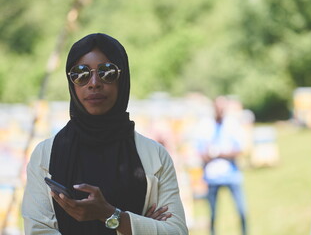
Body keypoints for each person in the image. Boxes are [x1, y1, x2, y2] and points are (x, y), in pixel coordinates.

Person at [22, 33, 188, 235]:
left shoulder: (155, 156)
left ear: (123, 78)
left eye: (107, 72)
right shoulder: (46, 154)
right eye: (81, 73)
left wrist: (112, 215)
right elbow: (38, 231)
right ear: (71, 83)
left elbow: (176, 232)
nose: (93, 83)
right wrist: (140, 225)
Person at [196, 96, 247, 235]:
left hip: (232, 175)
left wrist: (219, 153)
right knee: (213, 215)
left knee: (241, 211)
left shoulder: (232, 124)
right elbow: (200, 151)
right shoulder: (205, 125)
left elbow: (240, 149)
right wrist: (209, 154)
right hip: (212, 177)